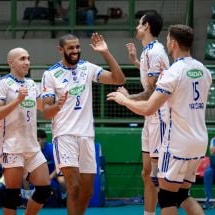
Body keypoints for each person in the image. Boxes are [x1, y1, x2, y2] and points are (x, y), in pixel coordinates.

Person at [107, 24, 212, 215]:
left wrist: (124, 100)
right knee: (182, 195)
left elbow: (148, 108)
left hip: (177, 143)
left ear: (172, 43)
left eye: (168, 40)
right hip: (199, 142)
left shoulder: (173, 73)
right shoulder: (204, 70)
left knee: (166, 198)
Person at [41, 33, 125, 215]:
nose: (75, 51)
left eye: (77, 47)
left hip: (87, 135)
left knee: (87, 192)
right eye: (71, 48)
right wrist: (58, 104)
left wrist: (105, 52)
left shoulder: (87, 68)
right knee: (74, 187)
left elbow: (119, 79)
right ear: (60, 49)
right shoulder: (50, 74)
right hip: (64, 135)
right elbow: (47, 112)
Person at [0, 47, 52, 215]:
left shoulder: (32, 84)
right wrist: (18, 100)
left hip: (32, 146)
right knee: (12, 195)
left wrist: (58, 104)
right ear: (11, 62)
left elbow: (44, 110)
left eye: (28, 58)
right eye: (22, 58)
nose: (27, 62)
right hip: (11, 146)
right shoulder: (1, 84)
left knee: (44, 190)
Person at [119, 11, 169, 215]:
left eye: (139, 24)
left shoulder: (155, 52)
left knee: (159, 176)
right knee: (147, 173)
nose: (137, 27)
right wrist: (134, 62)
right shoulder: (148, 51)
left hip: (160, 116)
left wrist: (127, 98)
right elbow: (150, 76)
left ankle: (173, 207)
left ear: (147, 26)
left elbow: (152, 90)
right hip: (151, 118)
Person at [37, 129, 66, 204]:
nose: (37, 142)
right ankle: (28, 200)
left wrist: (50, 177)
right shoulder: (35, 150)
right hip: (41, 175)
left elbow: (59, 166)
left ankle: (64, 197)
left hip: (55, 173)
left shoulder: (52, 149)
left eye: (38, 140)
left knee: (62, 181)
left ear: (44, 139)